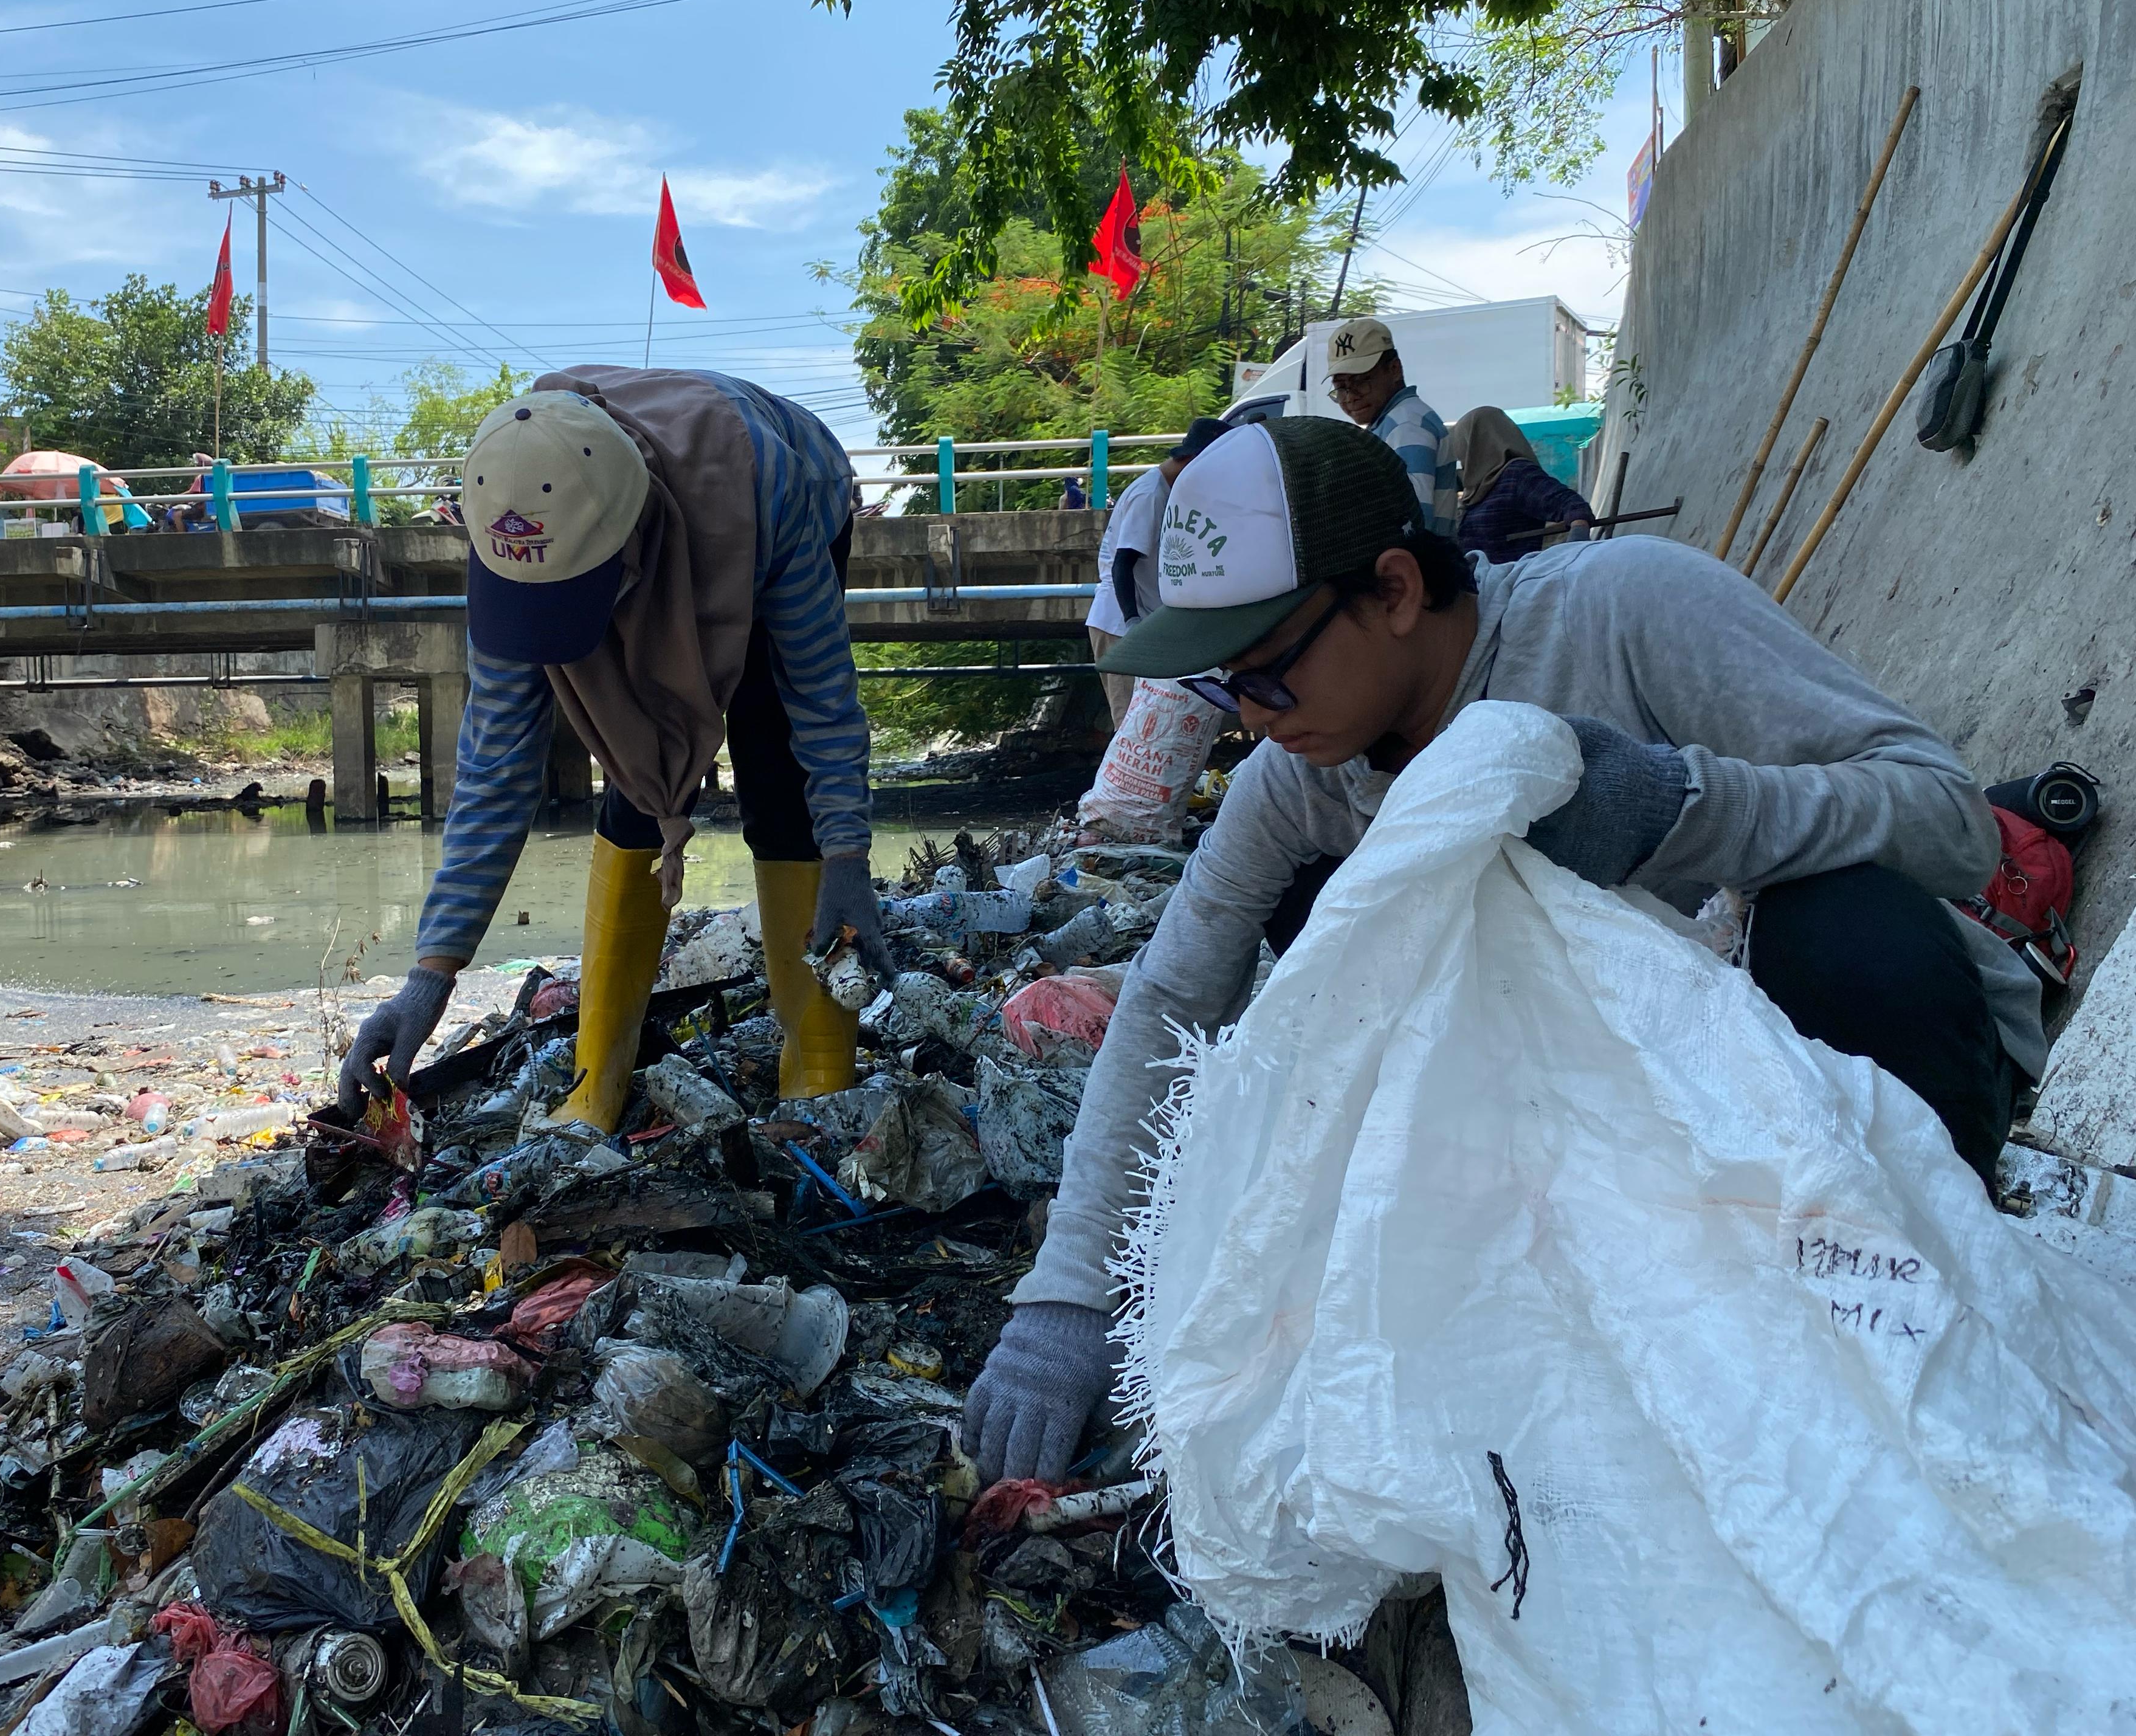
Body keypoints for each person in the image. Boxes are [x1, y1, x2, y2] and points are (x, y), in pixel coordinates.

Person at [963, 415, 2041, 1487]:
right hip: (1628, 1150)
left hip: (1837, 1084)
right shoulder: (1300, 782)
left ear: (1392, 590)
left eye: (1268, 671)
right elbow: (1166, 1004)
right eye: (1220, 685)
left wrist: (1676, 803)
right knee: (1319, 959)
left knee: (1848, 932)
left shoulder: (1622, 609)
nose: (1249, 716)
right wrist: (1066, 1297)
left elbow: (1949, 821)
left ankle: (1918, 1287)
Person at [338, 367, 890, 1130]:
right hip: (627, 530)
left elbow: (822, 702)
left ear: (629, 545)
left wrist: (848, 858)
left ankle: (819, 1068)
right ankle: (598, 1076)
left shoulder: (771, 490)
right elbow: (498, 764)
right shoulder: (514, 512)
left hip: (767, 506)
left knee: (777, 757)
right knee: (637, 761)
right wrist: (432, 976)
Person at [1084, 417, 1227, 725]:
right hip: (1119, 624)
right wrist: (1132, 621)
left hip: (1145, 623)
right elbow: (1123, 563)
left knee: (1155, 719)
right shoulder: (1150, 495)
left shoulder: (1170, 492)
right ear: (1192, 460)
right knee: (1129, 725)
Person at [1323, 317, 1456, 534]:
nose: (1350, 397)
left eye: (1361, 382)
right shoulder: (1393, 421)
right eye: (1341, 387)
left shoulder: (1406, 425)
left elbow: (1413, 520)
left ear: (1394, 369)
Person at [1447, 405, 1594, 559]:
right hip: (1481, 582)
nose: (1461, 457)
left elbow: (1575, 506)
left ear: (1475, 443)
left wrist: (1575, 550)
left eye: (1463, 445)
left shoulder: (1518, 476)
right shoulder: (1478, 488)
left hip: (1513, 579)